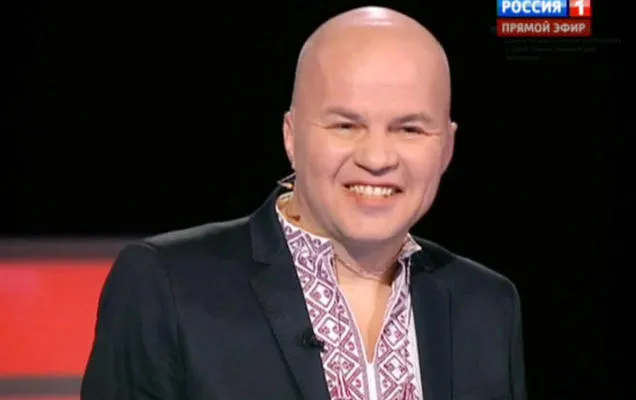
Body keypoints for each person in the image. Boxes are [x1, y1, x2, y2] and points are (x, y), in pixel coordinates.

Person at [81, 6, 526, 400]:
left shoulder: (487, 305)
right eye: (345, 125)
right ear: (291, 136)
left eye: (409, 129)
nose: (377, 158)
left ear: (447, 147)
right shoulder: (166, 284)